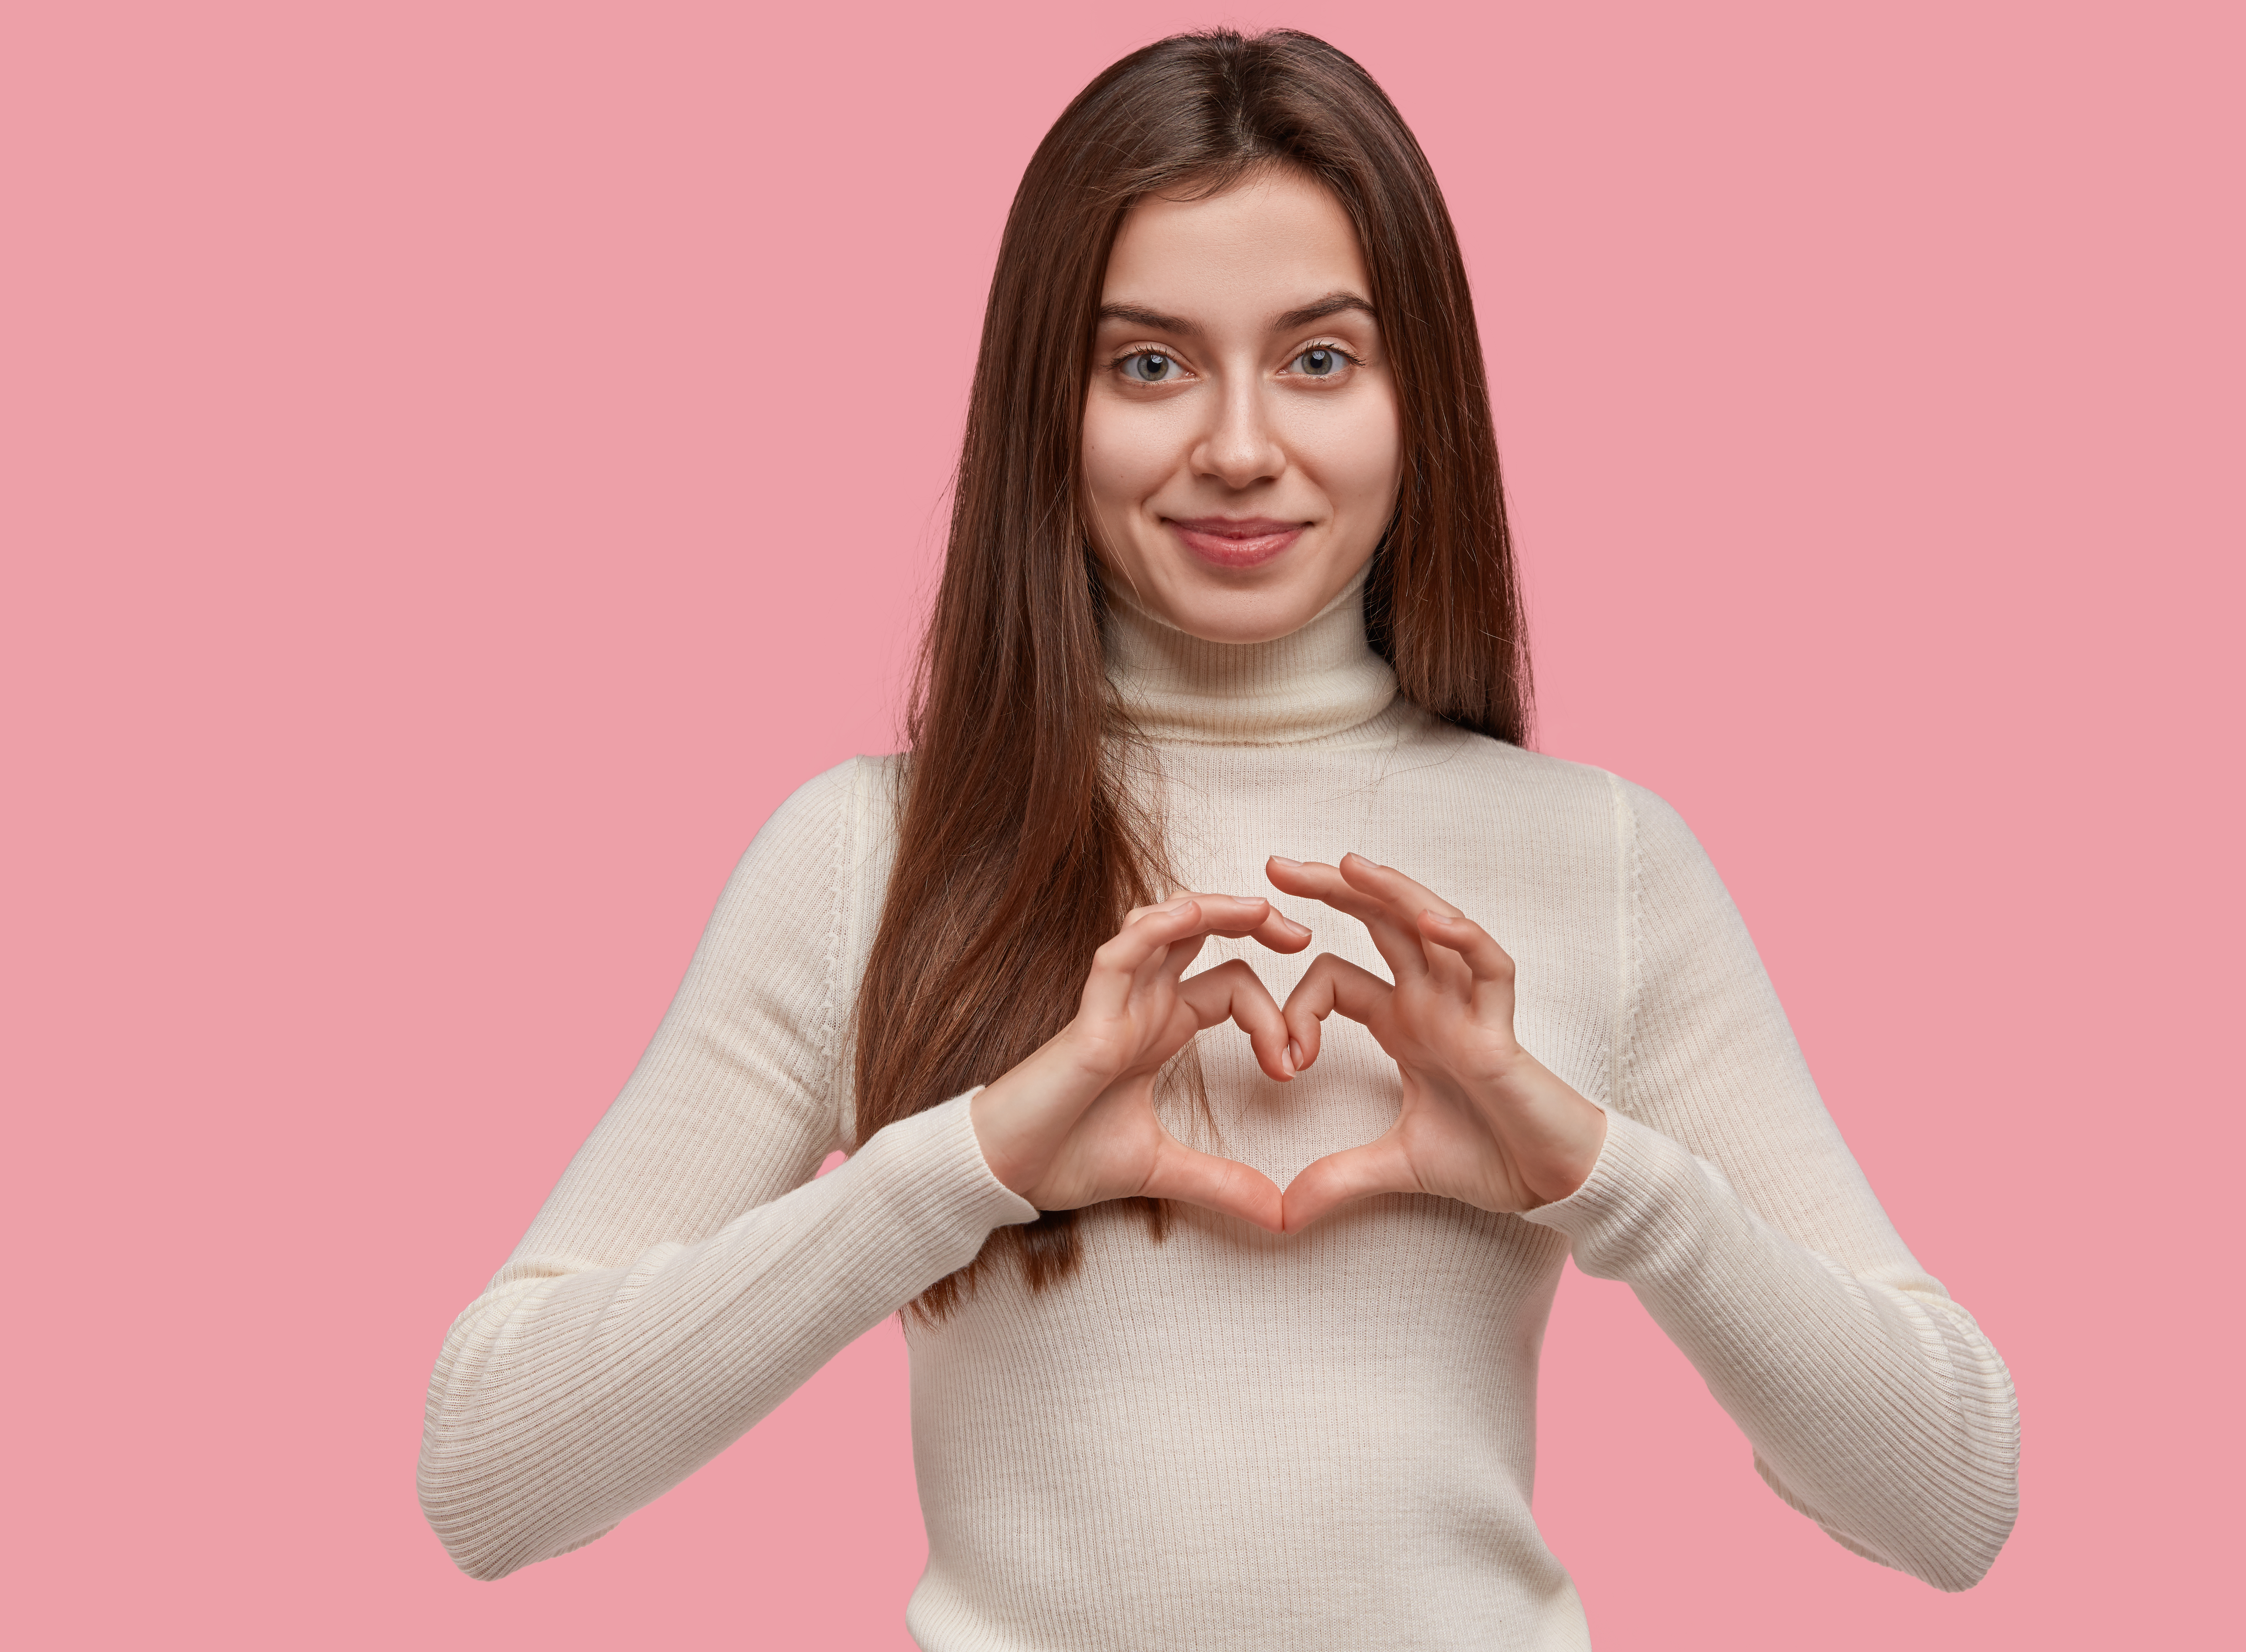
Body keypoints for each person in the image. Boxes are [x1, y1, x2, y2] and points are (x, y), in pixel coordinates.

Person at [417, 27, 2019, 1647]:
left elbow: (1949, 1500)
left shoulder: (1604, 860)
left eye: (1321, 359)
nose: (1240, 444)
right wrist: (962, 1170)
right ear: (1051, 403)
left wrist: (1600, 1177)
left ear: (1424, 399)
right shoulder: (872, 856)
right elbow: (492, 1474)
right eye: (1151, 364)